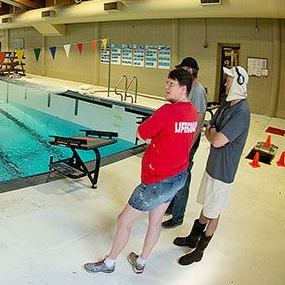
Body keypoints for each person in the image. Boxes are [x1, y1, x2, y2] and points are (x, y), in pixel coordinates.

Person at [84, 68, 198, 274]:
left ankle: (109, 263)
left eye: (171, 84)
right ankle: (141, 262)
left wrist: (155, 140)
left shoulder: (167, 111)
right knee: (155, 221)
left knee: (123, 221)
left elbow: (141, 132)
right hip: (178, 177)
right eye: (167, 83)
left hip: (157, 182)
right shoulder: (192, 111)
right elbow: (178, 138)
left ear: (183, 89)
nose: (166, 87)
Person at [174, 66, 250, 266]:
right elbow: (210, 127)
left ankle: (200, 250)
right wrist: (213, 132)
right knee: (207, 205)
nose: (225, 83)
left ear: (238, 84)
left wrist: (214, 133)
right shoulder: (227, 105)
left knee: (214, 211)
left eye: (228, 80)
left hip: (224, 173)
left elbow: (216, 140)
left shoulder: (242, 112)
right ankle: (193, 237)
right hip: (212, 167)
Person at [163, 57, 207, 228]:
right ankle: (172, 206)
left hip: (189, 143)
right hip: (182, 141)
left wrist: (188, 147)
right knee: (175, 174)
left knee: (183, 177)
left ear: (189, 71)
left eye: (182, 70)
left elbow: (199, 120)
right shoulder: (189, 88)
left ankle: (178, 216)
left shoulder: (197, 91)